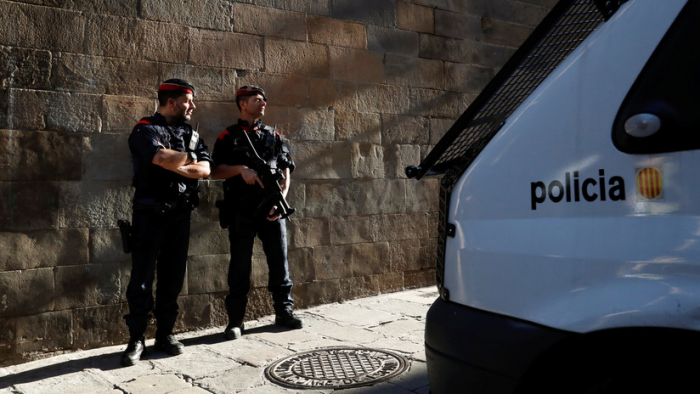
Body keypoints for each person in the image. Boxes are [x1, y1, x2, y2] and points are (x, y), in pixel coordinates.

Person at [121, 79, 212, 366]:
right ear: (172, 102)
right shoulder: (144, 128)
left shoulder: (192, 134)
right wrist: (190, 163)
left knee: (173, 277)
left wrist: (185, 163)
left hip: (180, 215)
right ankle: (137, 339)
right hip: (149, 215)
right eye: (189, 101)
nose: (193, 106)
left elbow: (206, 170)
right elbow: (158, 157)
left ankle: (165, 334)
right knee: (142, 280)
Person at [211, 85, 303, 340]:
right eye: (257, 99)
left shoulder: (273, 135)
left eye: (264, 99)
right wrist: (241, 169)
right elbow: (213, 171)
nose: (263, 103)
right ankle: (236, 321)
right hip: (241, 210)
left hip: (272, 207)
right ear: (243, 104)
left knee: (279, 262)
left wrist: (281, 199)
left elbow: (286, 169)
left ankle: (284, 312)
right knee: (240, 265)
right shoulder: (228, 137)